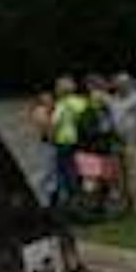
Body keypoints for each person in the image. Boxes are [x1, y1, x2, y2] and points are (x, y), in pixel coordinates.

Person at [110, 73, 136, 218]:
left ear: (129, 84)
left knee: (135, 174)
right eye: (118, 84)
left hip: (132, 140)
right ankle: (124, 205)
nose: (120, 86)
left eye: (123, 84)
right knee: (119, 176)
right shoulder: (114, 99)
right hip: (117, 140)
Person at [49, 76, 89, 209]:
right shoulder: (81, 102)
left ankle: (69, 200)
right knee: (78, 169)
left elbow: (54, 123)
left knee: (64, 171)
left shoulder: (62, 104)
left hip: (64, 140)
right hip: (80, 140)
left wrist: (50, 137)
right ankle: (80, 197)